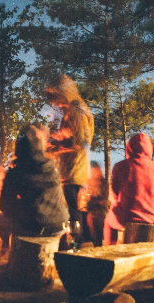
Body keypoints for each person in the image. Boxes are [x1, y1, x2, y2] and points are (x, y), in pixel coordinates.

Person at [0, 124, 70, 238]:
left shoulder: (16, 172)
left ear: (18, 146)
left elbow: (5, 206)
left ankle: (10, 247)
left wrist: (25, 208)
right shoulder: (52, 168)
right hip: (60, 226)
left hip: (36, 228)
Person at [45, 74, 94, 237]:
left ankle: (77, 246)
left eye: (55, 98)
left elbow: (80, 142)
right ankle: (79, 243)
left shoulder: (77, 111)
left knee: (74, 214)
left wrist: (54, 149)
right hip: (70, 171)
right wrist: (57, 138)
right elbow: (72, 136)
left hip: (74, 172)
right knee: (73, 212)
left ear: (63, 92)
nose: (54, 103)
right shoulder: (72, 111)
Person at [103, 133, 154, 245]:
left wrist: (117, 205)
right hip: (153, 216)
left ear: (129, 148)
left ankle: (110, 248)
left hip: (128, 216)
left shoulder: (121, 166)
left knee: (108, 221)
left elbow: (114, 192)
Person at [85, 161, 110, 246]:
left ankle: (100, 242)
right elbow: (88, 203)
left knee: (97, 217)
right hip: (91, 210)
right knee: (91, 217)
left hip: (103, 210)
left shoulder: (104, 183)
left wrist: (99, 203)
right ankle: (96, 242)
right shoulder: (87, 183)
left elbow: (106, 200)